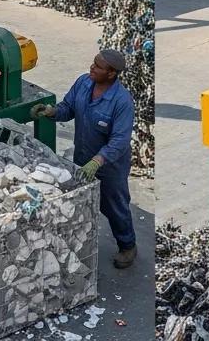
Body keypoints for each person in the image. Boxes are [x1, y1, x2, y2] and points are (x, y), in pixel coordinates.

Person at [30, 50, 137, 268]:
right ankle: (78, 245)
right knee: (80, 204)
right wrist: (51, 112)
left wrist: (98, 161)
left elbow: (119, 140)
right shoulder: (83, 83)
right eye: (93, 63)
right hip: (82, 158)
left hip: (110, 167)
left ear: (111, 74)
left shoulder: (121, 101)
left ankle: (128, 246)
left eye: (97, 67)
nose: (92, 68)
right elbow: (68, 108)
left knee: (115, 207)